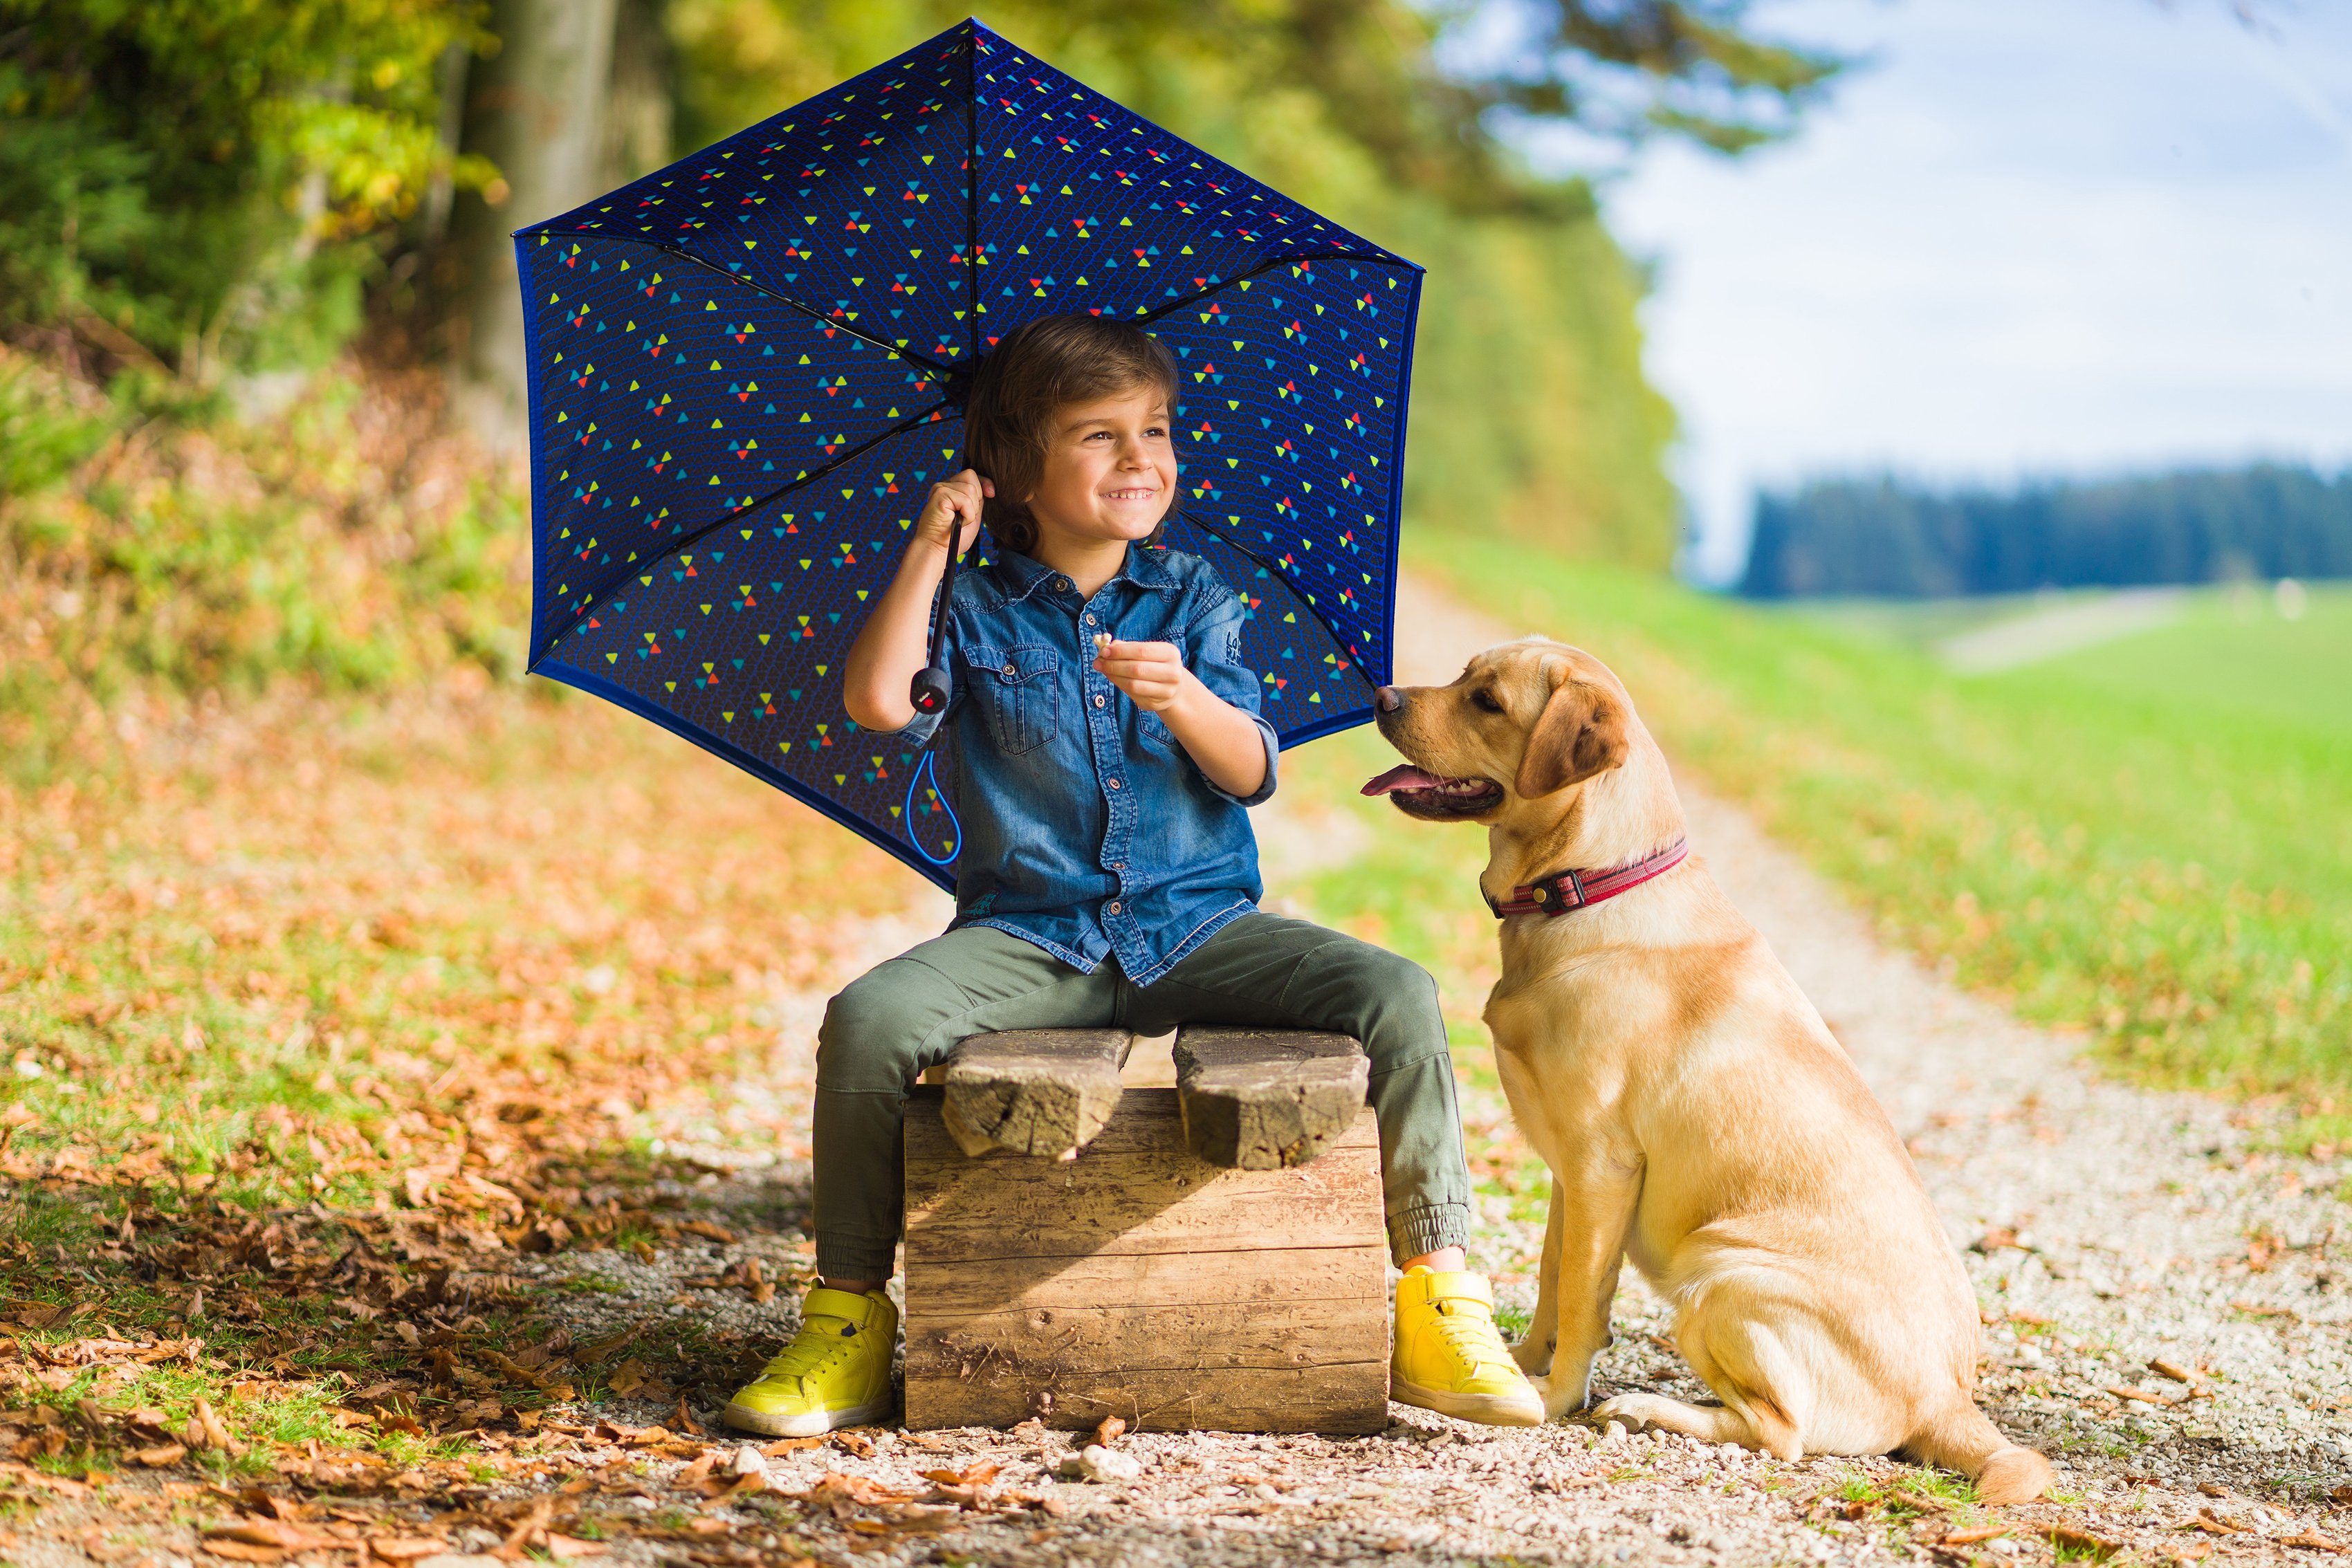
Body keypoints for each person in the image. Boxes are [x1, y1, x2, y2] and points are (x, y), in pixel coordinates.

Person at [722, 313, 1542, 1435]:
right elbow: (877, 702)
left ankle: (1439, 1293)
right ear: (1014, 467)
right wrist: (929, 544)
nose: (1139, 458)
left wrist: (1187, 699)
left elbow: (1252, 769)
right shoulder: (969, 606)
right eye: (1098, 436)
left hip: (1198, 928)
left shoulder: (1191, 598)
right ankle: (848, 1321)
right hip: (1031, 937)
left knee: (1396, 993)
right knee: (867, 1019)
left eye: (1154, 430)